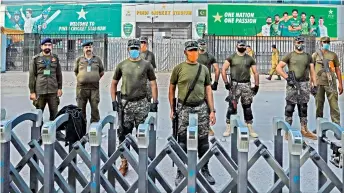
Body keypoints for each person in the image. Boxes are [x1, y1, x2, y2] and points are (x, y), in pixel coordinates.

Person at [169, 40, 216, 185]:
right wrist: (172, 109)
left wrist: (212, 110)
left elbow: (208, 90)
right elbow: (171, 89)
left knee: (203, 142)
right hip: (184, 108)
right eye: (191, 50)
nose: (193, 53)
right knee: (182, 141)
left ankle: (205, 169)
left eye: (195, 50)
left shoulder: (204, 69)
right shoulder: (178, 69)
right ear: (185, 52)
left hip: (201, 108)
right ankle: (180, 171)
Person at [111, 39, 158, 176]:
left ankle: (144, 163)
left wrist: (154, 102)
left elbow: (153, 84)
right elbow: (114, 83)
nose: (134, 50)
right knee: (123, 134)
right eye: (132, 48)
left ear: (139, 49)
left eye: (136, 48)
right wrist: (114, 101)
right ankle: (124, 162)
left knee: (142, 134)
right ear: (128, 49)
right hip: (126, 105)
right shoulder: (122, 65)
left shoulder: (146, 65)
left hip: (142, 104)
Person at [276, 36, 317, 140]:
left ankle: (304, 129)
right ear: (295, 43)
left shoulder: (308, 56)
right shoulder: (290, 55)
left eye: (302, 42)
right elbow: (278, 67)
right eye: (298, 42)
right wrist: (287, 78)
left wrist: (315, 85)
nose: (300, 44)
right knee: (289, 107)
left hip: (304, 84)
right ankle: (287, 131)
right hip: (292, 85)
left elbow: (312, 71)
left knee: (303, 107)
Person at [222, 40, 259, 138]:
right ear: (236, 46)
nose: (242, 47)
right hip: (234, 85)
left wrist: (256, 85)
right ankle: (229, 126)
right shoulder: (232, 57)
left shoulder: (250, 58)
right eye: (240, 45)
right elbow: (223, 69)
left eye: (244, 45)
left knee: (247, 107)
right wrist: (226, 82)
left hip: (246, 85)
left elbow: (255, 72)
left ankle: (249, 126)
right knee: (232, 107)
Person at [29, 37, 63, 122]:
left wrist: (59, 88)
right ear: (41, 47)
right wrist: (32, 92)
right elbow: (32, 76)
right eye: (45, 45)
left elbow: (58, 74)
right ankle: (38, 134)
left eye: (49, 45)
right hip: (40, 90)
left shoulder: (55, 58)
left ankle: (55, 132)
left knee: (55, 115)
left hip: (53, 90)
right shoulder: (36, 59)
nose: (47, 47)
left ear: (51, 46)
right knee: (39, 115)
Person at [312, 36, 343, 127]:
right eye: (324, 42)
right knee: (319, 107)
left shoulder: (333, 55)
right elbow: (311, 69)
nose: (326, 43)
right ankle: (319, 127)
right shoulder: (315, 55)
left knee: (334, 107)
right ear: (321, 43)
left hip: (331, 84)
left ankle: (337, 127)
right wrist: (311, 82)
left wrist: (340, 84)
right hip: (318, 84)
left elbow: (337, 69)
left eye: (328, 42)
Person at [74, 41, 104, 124]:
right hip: (81, 88)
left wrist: (94, 78)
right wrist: (82, 78)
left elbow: (101, 72)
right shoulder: (79, 60)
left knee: (95, 108)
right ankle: (81, 128)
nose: (88, 49)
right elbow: (76, 72)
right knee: (80, 109)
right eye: (86, 47)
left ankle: (94, 128)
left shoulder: (97, 59)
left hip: (94, 88)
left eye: (90, 47)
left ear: (92, 48)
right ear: (83, 49)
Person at [197, 38, 220, 136]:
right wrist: (216, 82)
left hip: (198, 84)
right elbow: (217, 69)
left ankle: (199, 126)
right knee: (207, 105)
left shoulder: (193, 56)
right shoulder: (210, 56)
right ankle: (207, 127)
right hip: (206, 84)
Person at [139, 36, 156, 102]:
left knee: (148, 98)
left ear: (147, 44)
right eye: (141, 42)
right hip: (138, 79)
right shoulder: (136, 54)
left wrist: (152, 80)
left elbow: (153, 67)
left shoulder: (151, 54)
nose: (143, 44)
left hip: (148, 80)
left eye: (144, 42)